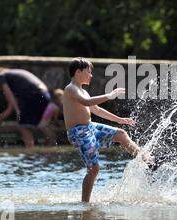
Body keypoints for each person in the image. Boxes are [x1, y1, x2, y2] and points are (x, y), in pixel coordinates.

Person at [63, 57, 154, 202]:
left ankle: (149, 162)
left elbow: (96, 110)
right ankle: (85, 204)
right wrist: (110, 96)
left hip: (90, 127)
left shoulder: (83, 91)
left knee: (121, 134)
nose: (91, 75)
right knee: (94, 169)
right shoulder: (71, 89)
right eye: (89, 71)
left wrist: (119, 119)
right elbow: (86, 103)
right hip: (78, 132)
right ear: (78, 72)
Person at [0, 67, 57, 147]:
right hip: (44, 95)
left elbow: (8, 94)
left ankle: (30, 149)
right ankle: (53, 146)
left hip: (34, 95)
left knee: (22, 125)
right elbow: (11, 105)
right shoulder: (16, 74)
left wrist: (17, 111)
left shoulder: (1, 75)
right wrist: (0, 119)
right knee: (42, 125)